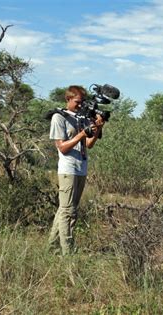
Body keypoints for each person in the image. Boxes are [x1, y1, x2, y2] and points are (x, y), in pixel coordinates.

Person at [48, 85, 105, 255]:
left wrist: (98, 128)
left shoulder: (82, 117)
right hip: (68, 168)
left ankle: (51, 248)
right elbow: (62, 147)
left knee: (65, 209)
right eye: (77, 102)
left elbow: (89, 144)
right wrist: (81, 134)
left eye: (82, 102)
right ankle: (68, 253)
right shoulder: (59, 117)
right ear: (68, 99)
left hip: (81, 168)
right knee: (68, 212)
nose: (80, 105)